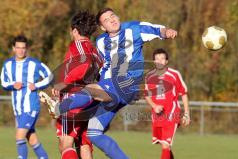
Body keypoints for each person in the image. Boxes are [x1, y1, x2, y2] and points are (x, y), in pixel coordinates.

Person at [51, 8, 177, 159]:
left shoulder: (134, 29)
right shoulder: (100, 42)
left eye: (112, 16)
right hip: (110, 88)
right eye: (106, 20)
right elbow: (101, 67)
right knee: (93, 133)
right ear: (103, 27)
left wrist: (167, 31)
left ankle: (59, 107)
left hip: (126, 82)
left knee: (91, 90)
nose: (111, 19)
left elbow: (157, 29)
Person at [40, 11, 102, 159]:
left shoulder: (78, 45)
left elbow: (84, 65)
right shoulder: (95, 51)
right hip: (90, 102)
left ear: (74, 30)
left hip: (74, 100)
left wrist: (63, 84)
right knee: (84, 144)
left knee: (65, 143)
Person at [1, 35, 52, 159]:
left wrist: (36, 85)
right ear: (13, 48)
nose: (21, 50)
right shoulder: (7, 64)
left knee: (19, 136)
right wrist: (13, 85)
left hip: (31, 106)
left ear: (27, 49)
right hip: (17, 108)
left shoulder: (34, 64)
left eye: (23, 48)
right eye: (18, 47)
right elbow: (3, 83)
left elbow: (50, 76)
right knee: (32, 139)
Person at [145, 48, 190, 159]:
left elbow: (183, 93)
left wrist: (187, 113)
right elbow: (147, 96)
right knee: (164, 145)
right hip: (157, 115)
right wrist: (154, 106)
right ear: (154, 61)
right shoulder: (149, 76)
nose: (159, 61)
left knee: (166, 144)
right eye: (157, 59)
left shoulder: (174, 74)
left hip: (172, 112)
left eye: (162, 58)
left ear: (166, 61)